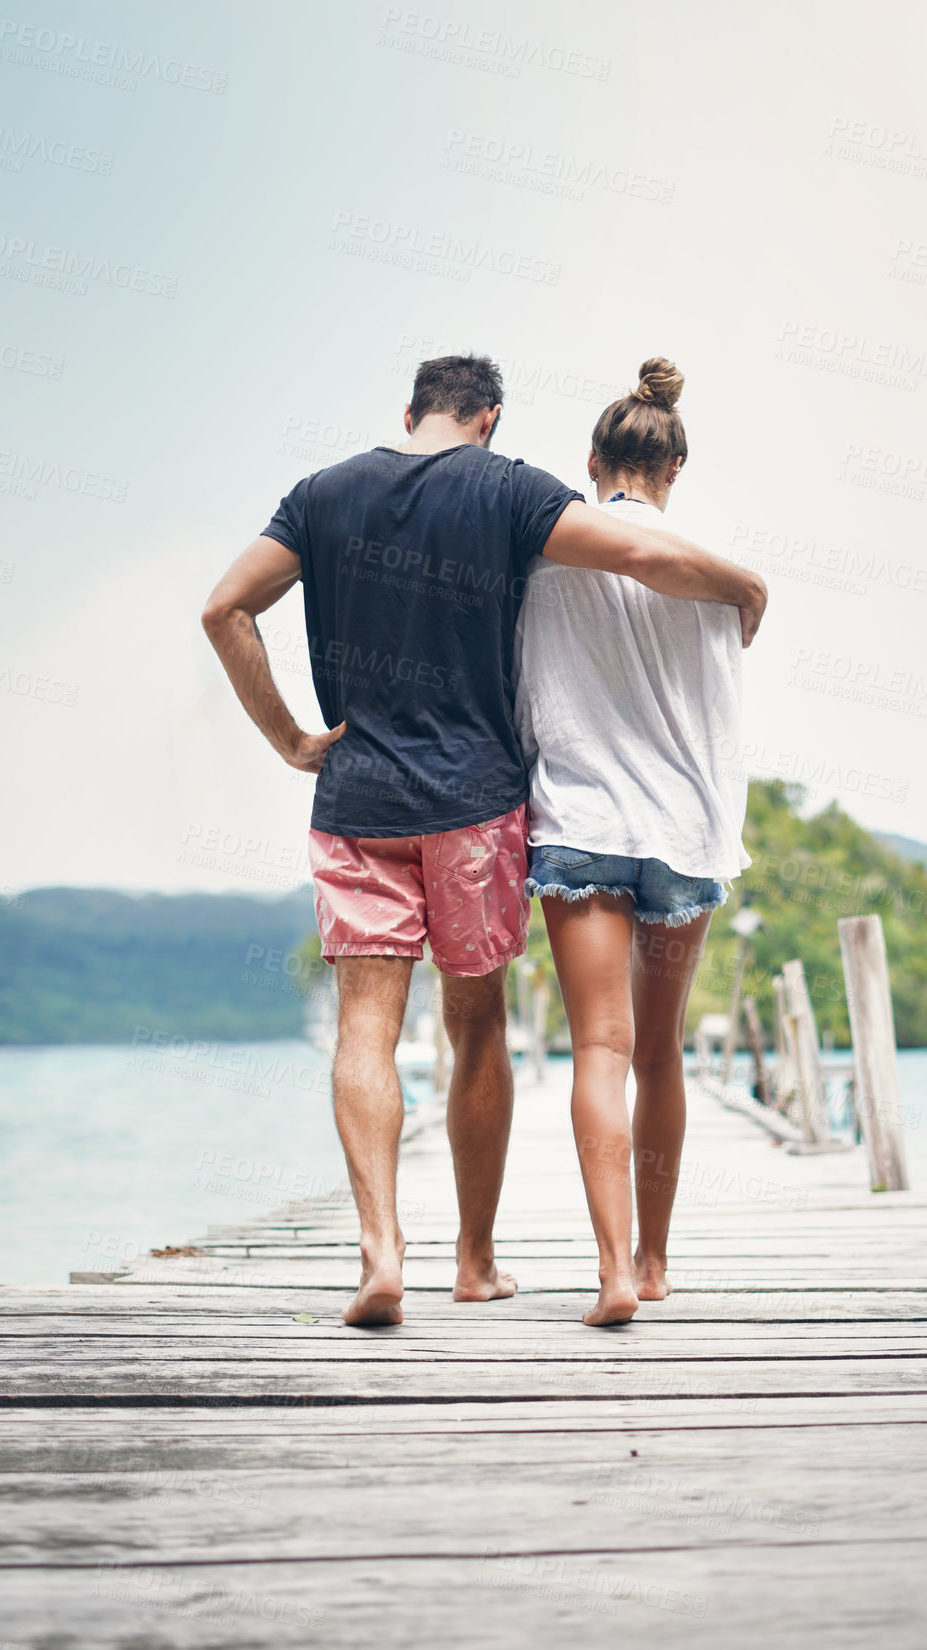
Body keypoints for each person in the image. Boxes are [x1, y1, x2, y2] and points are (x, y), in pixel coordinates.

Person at [202, 353, 767, 1327]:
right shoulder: (511, 496)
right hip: (477, 806)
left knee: (366, 1031)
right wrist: (747, 586)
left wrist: (292, 737)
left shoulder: (320, 494)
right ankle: (481, 1262)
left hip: (360, 801)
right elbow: (642, 554)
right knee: (491, 1031)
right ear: (491, 420)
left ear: (410, 408)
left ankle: (382, 1251)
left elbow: (223, 609)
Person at [515, 358, 752, 1326]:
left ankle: (611, 1271)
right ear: (675, 469)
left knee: (600, 1053)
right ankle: (655, 1262)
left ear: (591, 461)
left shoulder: (543, 559)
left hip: (580, 821)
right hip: (684, 830)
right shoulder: (712, 575)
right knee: (660, 1056)